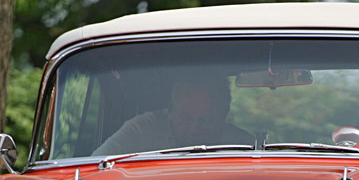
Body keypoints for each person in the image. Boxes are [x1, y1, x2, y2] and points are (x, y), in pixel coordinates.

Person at [93, 74, 252, 155]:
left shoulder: (241, 145)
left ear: (224, 114)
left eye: (205, 120)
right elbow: (97, 165)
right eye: (185, 118)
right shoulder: (142, 130)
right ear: (171, 108)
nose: (194, 129)